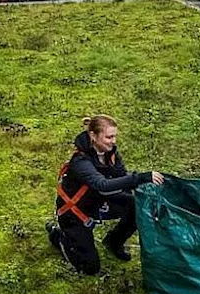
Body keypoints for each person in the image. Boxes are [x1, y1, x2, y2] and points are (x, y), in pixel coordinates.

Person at [47, 115, 166, 275]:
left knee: (136, 205)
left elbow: (121, 177)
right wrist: (140, 177)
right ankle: (59, 237)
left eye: (114, 136)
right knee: (90, 269)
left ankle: (113, 242)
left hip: (98, 202)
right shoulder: (80, 162)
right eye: (109, 137)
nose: (113, 141)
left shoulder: (110, 154)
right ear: (93, 136)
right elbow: (102, 186)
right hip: (75, 214)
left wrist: (138, 186)